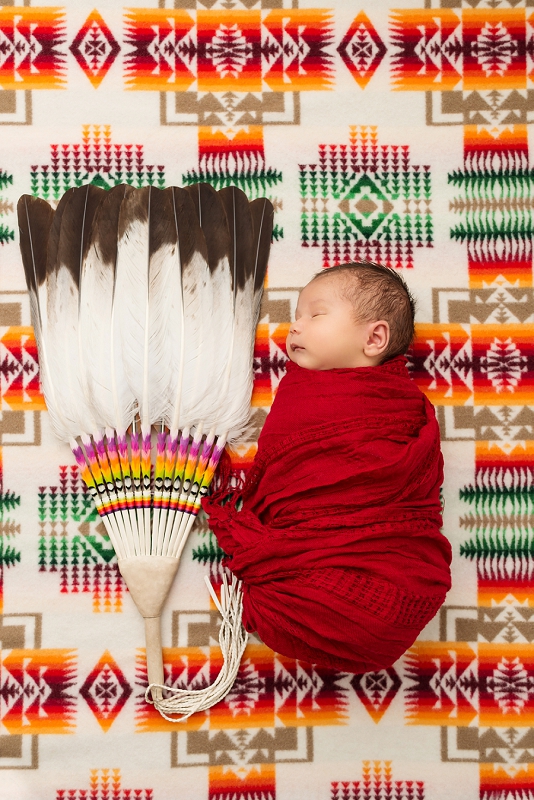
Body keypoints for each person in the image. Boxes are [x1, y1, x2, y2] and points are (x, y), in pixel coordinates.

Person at [203, 262, 452, 674]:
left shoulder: (397, 408)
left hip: (390, 575)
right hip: (295, 588)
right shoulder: (302, 391)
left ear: (374, 338)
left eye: (314, 315)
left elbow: (409, 483)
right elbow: (286, 473)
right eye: (295, 317)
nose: (295, 328)